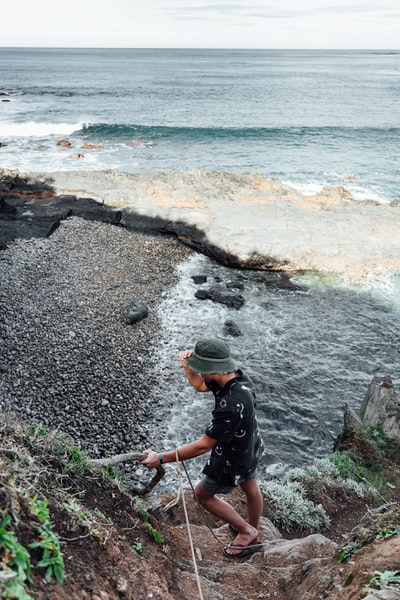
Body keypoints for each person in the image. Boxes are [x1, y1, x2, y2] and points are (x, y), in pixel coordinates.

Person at [141, 337, 264, 559]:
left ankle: (247, 531)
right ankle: (252, 531)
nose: (201, 375)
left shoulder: (230, 406)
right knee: (250, 486)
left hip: (231, 456)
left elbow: (202, 446)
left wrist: (160, 457)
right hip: (249, 445)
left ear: (213, 370)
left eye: (203, 370)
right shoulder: (236, 378)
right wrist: (187, 367)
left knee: (202, 495)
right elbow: (200, 384)